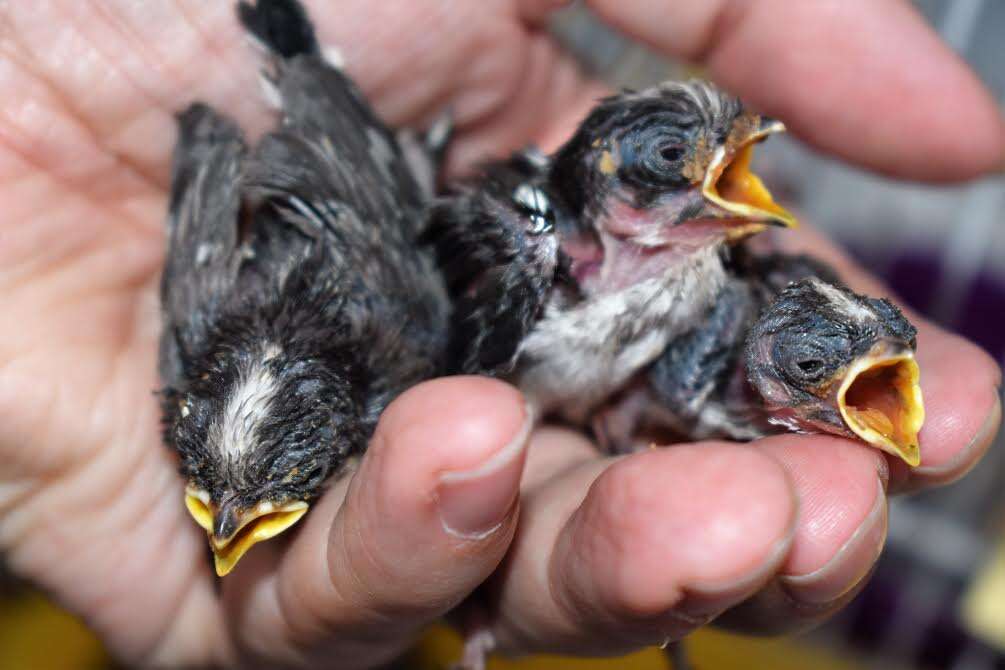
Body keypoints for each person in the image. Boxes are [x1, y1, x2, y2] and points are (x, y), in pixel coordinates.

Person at [0, 1, 1000, 668]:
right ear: (607, 188)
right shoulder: (522, 258)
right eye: (667, 159)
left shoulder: (709, 285)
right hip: (428, 264)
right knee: (459, 454)